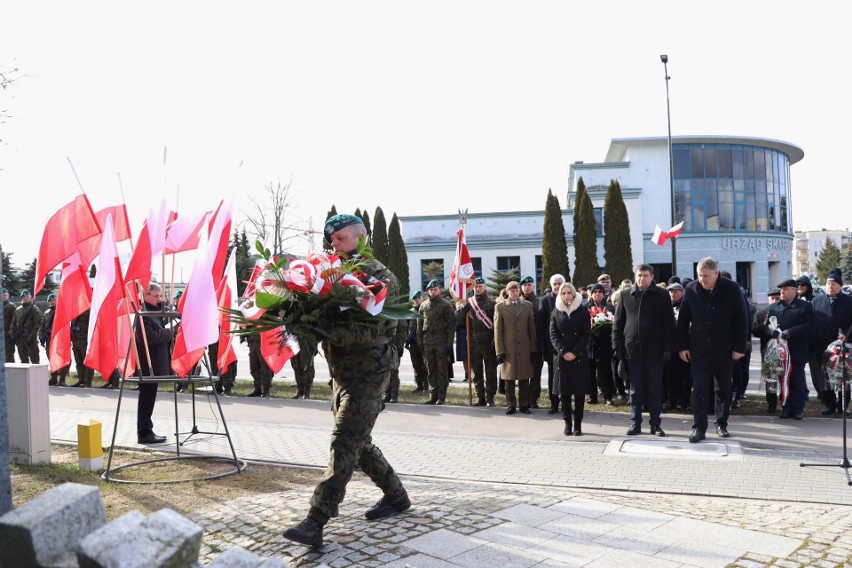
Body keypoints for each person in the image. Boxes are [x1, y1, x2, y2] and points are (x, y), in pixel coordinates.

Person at [283, 214, 409, 548]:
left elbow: (370, 329)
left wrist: (322, 328)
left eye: (339, 239)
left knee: (344, 441)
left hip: (370, 372)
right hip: (342, 373)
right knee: (359, 442)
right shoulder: (333, 274)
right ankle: (396, 496)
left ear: (359, 237)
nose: (332, 245)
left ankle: (316, 520)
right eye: (332, 240)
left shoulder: (379, 277)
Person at [677, 257, 748, 442]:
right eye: (700, 275)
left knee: (723, 390)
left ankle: (721, 424)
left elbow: (742, 319)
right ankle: (699, 428)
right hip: (698, 350)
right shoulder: (691, 289)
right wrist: (683, 346)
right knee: (699, 390)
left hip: (725, 349)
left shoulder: (732, 289)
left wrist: (739, 347)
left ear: (716, 273)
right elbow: (683, 320)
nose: (702, 279)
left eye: (706, 276)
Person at [612, 264, 675, 437]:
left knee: (655, 390)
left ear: (652, 277)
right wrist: (617, 349)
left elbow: (669, 323)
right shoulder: (626, 294)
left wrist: (668, 348)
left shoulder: (662, 295)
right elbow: (618, 324)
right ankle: (635, 423)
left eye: (645, 275)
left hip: (655, 352)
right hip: (632, 351)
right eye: (639, 275)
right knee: (635, 391)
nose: (641, 279)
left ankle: (656, 424)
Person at [758, 279, 814, 419]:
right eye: (781, 289)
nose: (782, 291)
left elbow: (810, 325)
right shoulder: (774, 307)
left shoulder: (804, 306)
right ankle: (786, 407)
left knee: (796, 380)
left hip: (796, 350)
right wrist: (769, 332)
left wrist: (792, 331)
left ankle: (798, 409)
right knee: (783, 380)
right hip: (780, 352)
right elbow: (766, 325)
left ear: (794, 291)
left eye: (785, 289)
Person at [135, 283, 175, 444]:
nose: (159, 299)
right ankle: (144, 432)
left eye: (160, 296)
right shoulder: (144, 314)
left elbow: (166, 314)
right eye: (156, 296)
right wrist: (170, 332)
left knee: (149, 397)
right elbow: (149, 337)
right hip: (148, 363)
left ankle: (146, 430)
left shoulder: (153, 311)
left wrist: (163, 304)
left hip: (154, 362)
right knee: (146, 398)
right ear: (145, 295)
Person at [549, 282, 591, 436]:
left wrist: (574, 352)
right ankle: (567, 423)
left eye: (569, 293)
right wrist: (564, 351)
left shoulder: (582, 311)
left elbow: (586, 334)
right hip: (562, 357)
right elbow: (553, 334)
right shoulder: (555, 312)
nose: (567, 296)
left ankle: (578, 425)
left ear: (574, 294)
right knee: (565, 393)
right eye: (563, 293)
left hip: (578, 357)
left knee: (579, 393)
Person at [811, 269, 852, 414]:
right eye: (828, 283)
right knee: (825, 377)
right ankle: (828, 403)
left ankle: (843, 405)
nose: (830, 286)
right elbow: (811, 322)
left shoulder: (848, 301)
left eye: (834, 284)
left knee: (843, 376)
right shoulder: (816, 301)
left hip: (843, 346)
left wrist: (847, 335)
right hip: (822, 346)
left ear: (840, 286)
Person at [494, 280, 537, 415]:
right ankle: (511, 404)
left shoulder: (527, 305)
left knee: (525, 378)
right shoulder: (500, 307)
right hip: (509, 348)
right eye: (512, 291)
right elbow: (497, 331)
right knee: (509, 379)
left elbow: (531, 328)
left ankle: (524, 404)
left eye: (517, 290)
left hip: (524, 347)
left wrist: (533, 349)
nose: (515, 293)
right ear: (507, 292)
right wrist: (499, 350)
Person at [456, 277, 497, 406]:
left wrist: (494, 343)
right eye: (476, 287)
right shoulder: (470, 304)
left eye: (480, 286)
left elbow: (497, 324)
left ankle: (490, 397)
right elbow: (460, 322)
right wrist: (463, 310)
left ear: (485, 287)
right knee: (476, 372)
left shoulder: (492, 304)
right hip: (474, 344)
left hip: (489, 343)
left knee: (491, 372)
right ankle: (480, 397)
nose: (478, 288)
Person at [417, 279, 455, 405]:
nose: (433, 292)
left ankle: (441, 396)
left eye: (435, 289)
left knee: (442, 370)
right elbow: (419, 325)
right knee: (430, 369)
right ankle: (433, 395)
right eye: (431, 290)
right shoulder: (423, 305)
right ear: (428, 291)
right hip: (427, 343)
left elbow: (451, 326)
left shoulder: (445, 305)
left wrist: (449, 344)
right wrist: (420, 343)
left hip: (441, 343)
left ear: (439, 290)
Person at [537, 273, 566, 414]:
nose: (557, 286)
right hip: (551, 347)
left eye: (559, 283)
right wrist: (542, 345)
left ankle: (566, 404)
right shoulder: (545, 301)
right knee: (553, 376)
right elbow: (540, 325)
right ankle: (554, 403)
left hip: (568, 347)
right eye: (554, 284)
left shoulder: (570, 299)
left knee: (567, 376)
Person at [662, 283, 691, 411]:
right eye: (671, 291)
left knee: (685, 375)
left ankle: (684, 401)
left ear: (682, 293)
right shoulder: (666, 306)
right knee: (671, 375)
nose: (673, 294)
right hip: (670, 347)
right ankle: (671, 400)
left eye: (675, 291)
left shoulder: (687, 305)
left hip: (684, 347)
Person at [585, 283, 615, 405]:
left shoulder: (610, 307)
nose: (597, 294)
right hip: (590, 344)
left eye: (600, 292)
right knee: (590, 372)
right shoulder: (585, 307)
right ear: (591, 294)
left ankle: (608, 397)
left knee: (606, 371)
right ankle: (593, 397)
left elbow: (615, 323)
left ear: (604, 294)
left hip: (605, 343)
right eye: (595, 292)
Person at [752, 288, 782, 412]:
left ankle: (785, 401)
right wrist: (765, 328)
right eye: (772, 298)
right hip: (768, 352)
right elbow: (754, 330)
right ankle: (771, 403)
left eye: (777, 298)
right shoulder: (761, 313)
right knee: (770, 378)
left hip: (784, 351)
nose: (774, 301)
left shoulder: (784, 311)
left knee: (784, 377)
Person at [519, 276, 544, 408]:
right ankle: (523, 398)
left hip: (535, 343)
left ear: (534, 286)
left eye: (530, 284)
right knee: (523, 373)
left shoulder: (540, 302)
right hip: (521, 343)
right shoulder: (517, 302)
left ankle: (533, 399)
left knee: (535, 373)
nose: (527, 287)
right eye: (525, 285)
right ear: (521, 287)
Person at [38, 293, 69, 386]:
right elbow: (42, 325)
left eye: (54, 299)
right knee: (51, 358)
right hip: (49, 339)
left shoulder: (62, 311)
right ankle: (54, 377)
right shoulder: (47, 312)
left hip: (60, 339)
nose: (52, 301)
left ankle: (62, 379)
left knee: (62, 358)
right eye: (50, 300)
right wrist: (41, 336)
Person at [10, 290, 43, 364]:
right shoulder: (18, 310)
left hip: (30, 339)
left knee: (35, 361)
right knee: (23, 360)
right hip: (20, 339)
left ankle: (36, 376)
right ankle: (25, 376)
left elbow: (37, 324)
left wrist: (32, 337)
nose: (25, 298)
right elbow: (13, 323)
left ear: (30, 297)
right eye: (23, 297)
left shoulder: (35, 309)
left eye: (27, 296)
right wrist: (13, 335)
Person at [405, 291, 428, 393]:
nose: (417, 299)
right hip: (413, 342)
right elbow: (406, 326)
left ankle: (426, 385)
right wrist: (407, 339)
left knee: (425, 364)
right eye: (415, 298)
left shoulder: (426, 309)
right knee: (416, 364)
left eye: (419, 297)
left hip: (424, 341)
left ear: (422, 298)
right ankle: (419, 385)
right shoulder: (410, 312)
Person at [70, 309, 95, 387]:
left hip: (84, 339)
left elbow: (92, 324)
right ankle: (81, 379)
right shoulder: (75, 310)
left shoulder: (88, 310)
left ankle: (87, 381)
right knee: (78, 361)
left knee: (86, 361)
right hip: (75, 339)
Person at [246, 327, 273, 398]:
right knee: (254, 367)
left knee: (265, 367)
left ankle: (266, 390)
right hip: (252, 340)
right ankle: (258, 389)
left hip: (263, 341)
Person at [3, 288, 17, 363]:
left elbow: (15, 321)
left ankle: (11, 373)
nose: (3, 296)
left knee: (9, 354)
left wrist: (12, 333)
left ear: (8, 295)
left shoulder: (12, 306)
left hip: (8, 335)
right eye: (2, 295)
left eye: (5, 295)